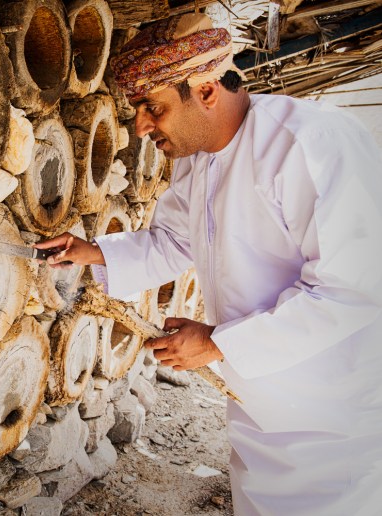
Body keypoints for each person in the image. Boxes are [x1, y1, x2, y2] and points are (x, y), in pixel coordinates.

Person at [36, 13, 382, 515]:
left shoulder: (310, 143)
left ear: (206, 89)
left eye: (152, 107)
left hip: (333, 416)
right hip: (258, 406)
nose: (141, 127)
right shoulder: (199, 157)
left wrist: (218, 341)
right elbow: (177, 241)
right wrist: (93, 252)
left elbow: (351, 289)